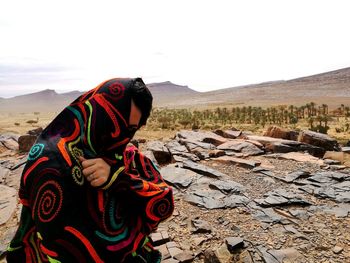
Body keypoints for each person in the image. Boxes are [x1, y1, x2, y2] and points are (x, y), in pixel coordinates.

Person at [6, 78, 174, 262]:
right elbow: (65, 245)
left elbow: (163, 202)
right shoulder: (51, 160)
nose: (119, 135)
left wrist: (117, 179)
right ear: (99, 110)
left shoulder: (124, 155)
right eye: (114, 122)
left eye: (131, 129)